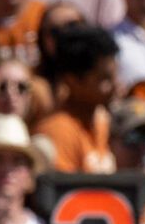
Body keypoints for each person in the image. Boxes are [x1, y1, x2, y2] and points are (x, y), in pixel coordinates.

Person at [34, 23, 120, 174]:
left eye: (115, 76)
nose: (116, 86)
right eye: (104, 80)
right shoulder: (57, 132)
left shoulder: (104, 121)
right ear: (72, 80)